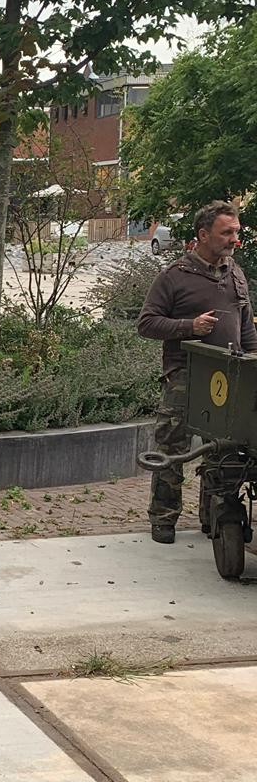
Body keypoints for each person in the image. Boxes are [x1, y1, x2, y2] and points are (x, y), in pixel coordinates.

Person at [137, 200, 257, 544]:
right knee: (172, 448)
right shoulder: (174, 276)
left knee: (223, 451)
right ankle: (163, 519)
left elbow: (246, 327)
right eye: (226, 232)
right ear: (203, 235)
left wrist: (254, 361)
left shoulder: (235, 273)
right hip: (185, 377)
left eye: (236, 231)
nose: (234, 239)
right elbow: (146, 323)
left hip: (231, 378)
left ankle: (215, 518)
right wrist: (190, 326)